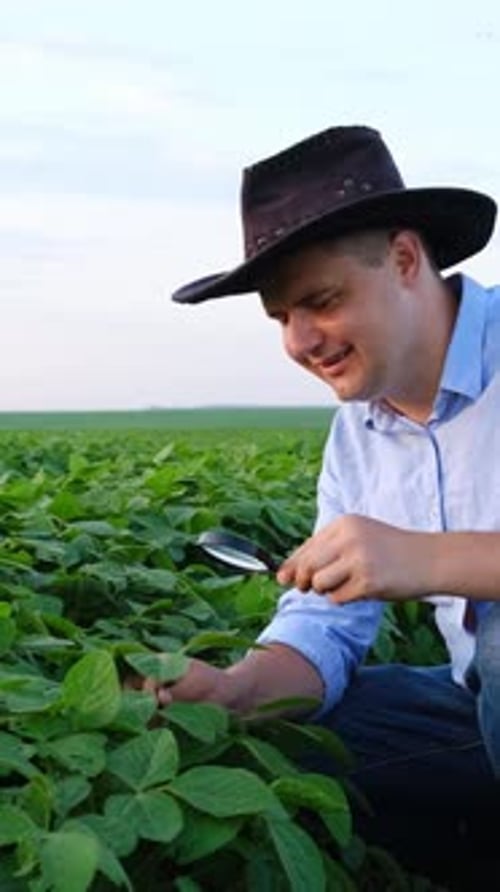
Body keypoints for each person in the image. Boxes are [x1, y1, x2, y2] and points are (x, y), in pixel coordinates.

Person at [160, 126, 500, 879]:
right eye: (282, 317)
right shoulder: (358, 436)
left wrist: (429, 557)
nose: (301, 340)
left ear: (406, 260)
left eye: (321, 301)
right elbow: (326, 623)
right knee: (296, 736)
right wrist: (235, 693)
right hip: (475, 706)